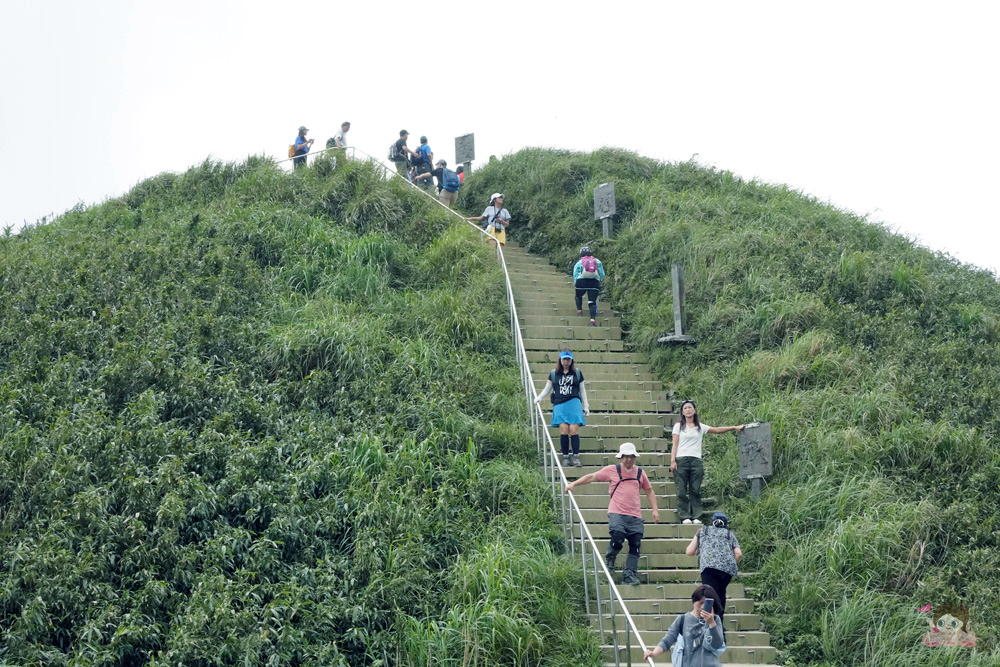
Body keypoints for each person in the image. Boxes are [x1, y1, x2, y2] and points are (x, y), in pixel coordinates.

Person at [566, 442, 660, 586]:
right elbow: (592, 477)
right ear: (621, 457)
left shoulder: (640, 473)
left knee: (635, 544)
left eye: (632, 456)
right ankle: (610, 559)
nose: (629, 459)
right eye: (626, 456)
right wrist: (574, 484)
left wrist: (655, 509)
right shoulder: (612, 470)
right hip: (617, 512)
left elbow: (649, 491)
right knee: (617, 535)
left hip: (635, 515)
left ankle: (630, 574)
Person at [670, 400, 746, 524]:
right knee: (682, 490)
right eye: (685, 408)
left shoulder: (700, 427)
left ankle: (696, 516)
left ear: (694, 410)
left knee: (695, 489)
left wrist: (734, 427)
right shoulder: (678, 426)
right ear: (682, 412)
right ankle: (685, 516)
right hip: (681, 460)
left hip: (696, 460)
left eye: (690, 407)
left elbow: (717, 430)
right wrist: (673, 460)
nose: (688, 410)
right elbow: (674, 444)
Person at [643, 585, 726, 665]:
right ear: (694, 601)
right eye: (701, 602)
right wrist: (654, 653)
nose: (703, 606)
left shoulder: (715, 619)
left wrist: (711, 623)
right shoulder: (682, 619)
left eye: (707, 604)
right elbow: (667, 640)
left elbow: (717, 644)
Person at [534, 349, 589, 467]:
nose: (566, 361)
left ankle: (576, 456)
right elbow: (547, 388)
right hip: (559, 404)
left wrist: (586, 406)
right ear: (560, 359)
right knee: (564, 430)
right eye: (564, 359)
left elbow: (582, 390)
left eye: (568, 359)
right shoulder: (554, 373)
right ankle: (565, 457)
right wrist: (539, 397)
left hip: (574, 403)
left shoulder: (577, 373)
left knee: (573, 430)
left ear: (571, 360)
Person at [685, 512, 742, 622]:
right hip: (727, 570)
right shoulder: (729, 534)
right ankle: (719, 622)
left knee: (709, 595)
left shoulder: (703, 530)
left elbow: (689, 551)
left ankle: (709, 623)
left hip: (708, 567)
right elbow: (738, 554)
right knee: (721, 593)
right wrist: (730, 564)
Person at [573, 246, 606, 327]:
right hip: (594, 282)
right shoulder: (597, 261)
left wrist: (576, 283)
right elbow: (602, 274)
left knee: (578, 296)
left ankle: (579, 311)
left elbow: (575, 273)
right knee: (592, 302)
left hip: (581, 282)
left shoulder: (580, 262)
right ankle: (592, 320)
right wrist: (597, 279)